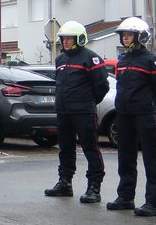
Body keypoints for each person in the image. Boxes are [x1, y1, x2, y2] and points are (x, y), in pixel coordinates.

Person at [105, 17, 156, 216]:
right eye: (123, 35)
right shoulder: (122, 60)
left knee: (152, 157)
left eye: (129, 35)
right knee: (126, 157)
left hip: (145, 114)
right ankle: (125, 197)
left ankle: (154, 202)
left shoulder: (151, 60)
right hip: (124, 114)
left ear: (140, 36)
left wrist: (151, 108)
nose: (125, 38)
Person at [44, 20, 109, 203]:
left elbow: (102, 86)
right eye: (63, 39)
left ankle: (94, 187)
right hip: (64, 112)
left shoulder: (91, 58)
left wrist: (88, 102)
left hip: (83, 112)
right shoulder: (61, 59)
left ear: (79, 39)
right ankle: (65, 183)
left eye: (69, 39)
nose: (65, 42)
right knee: (65, 148)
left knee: (90, 148)